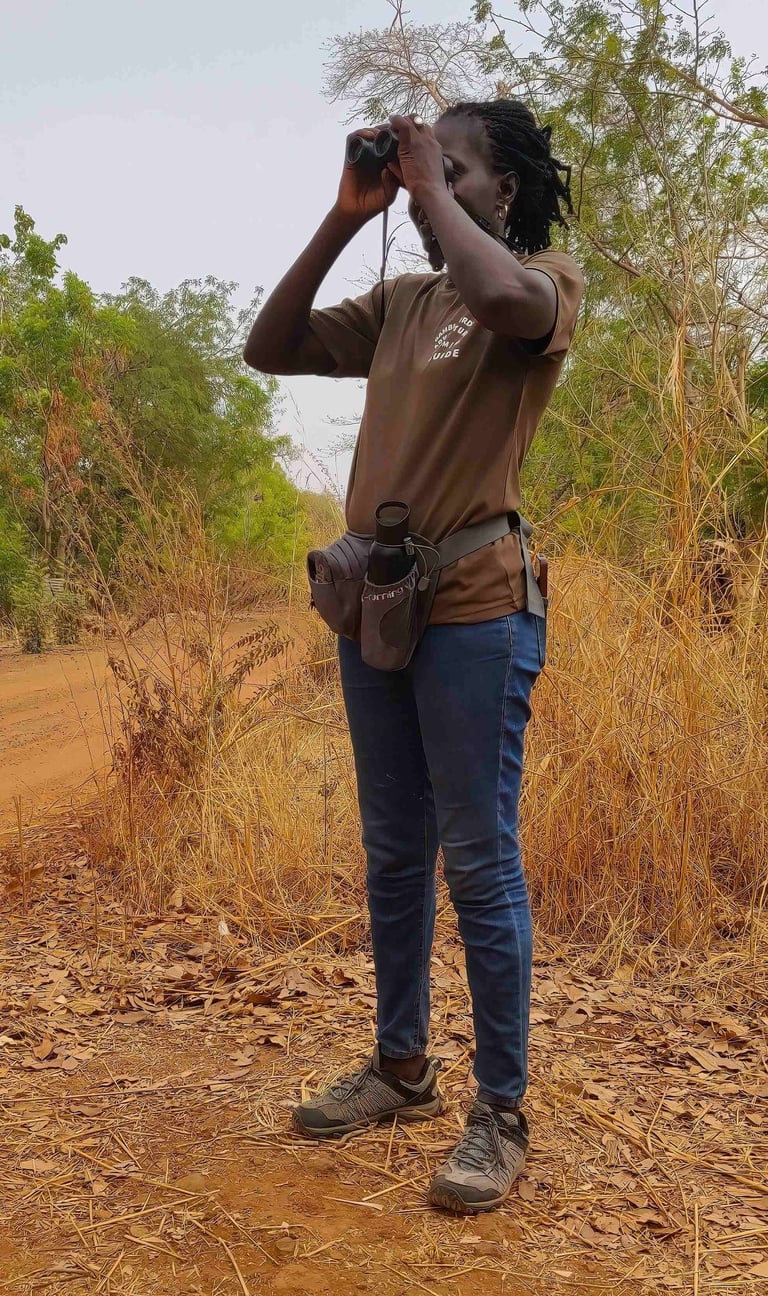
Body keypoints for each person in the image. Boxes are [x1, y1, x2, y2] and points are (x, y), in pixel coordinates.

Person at [244, 98, 584, 1215]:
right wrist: (349, 214)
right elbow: (269, 347)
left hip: (479, 610)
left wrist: (428, 186)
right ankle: (401, 1068)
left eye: (458, 166)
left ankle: (502, 1111)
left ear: (505, 190)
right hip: (377, 608)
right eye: (426, 165)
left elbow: (507, 299)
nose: (431, 182)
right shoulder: (401, 303)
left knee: (478, 858)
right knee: (394, 849)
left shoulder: (542, 285)